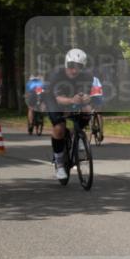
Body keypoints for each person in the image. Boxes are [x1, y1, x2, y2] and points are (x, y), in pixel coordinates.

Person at [44, 48, 103, 180]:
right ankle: (59, 163)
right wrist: (71, 100)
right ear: (66, 64)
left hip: (72, 95)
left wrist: (86, 98)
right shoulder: (57, 75)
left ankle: (78, 133)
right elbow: (59, 99)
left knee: (87, 110)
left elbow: (85, 94)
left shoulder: (87, 76)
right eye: (71, 66)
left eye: (79, 67)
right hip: (53, 99)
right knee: (59, 127)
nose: (74, 70)